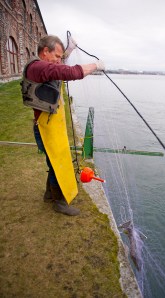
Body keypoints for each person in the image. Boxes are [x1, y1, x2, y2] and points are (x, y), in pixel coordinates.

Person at [21, 35, 105, 216]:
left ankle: (49, 195)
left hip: (49, 125)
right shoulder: (38, 67)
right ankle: (59, 202)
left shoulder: (42, 66)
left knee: (53, 163)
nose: (60, 60)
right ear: (45, 52)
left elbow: (58, 65)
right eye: (57, 56)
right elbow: (69, 72)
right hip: (44, 128)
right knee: (57, 164)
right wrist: (95, 66)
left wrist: (70, 49)